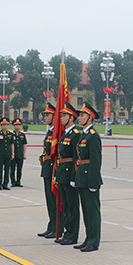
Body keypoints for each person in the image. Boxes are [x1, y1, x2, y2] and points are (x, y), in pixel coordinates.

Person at [74, 104, 103, 252]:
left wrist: (93, 181)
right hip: (82, 177)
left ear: (90, 118)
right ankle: (88, 238)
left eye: (82, 115)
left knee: (92, 211)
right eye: (79, 115)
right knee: (85, 210)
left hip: (89, 179)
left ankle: (94, 240)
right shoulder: (84, 134)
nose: (79, 117)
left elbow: (96, 161)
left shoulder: (93, 136)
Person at [54, 103, 81, 245]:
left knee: (72, 206)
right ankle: (67, 232)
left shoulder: (76, 134)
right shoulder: (65, 134)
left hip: (69, 173)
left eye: (64, 115)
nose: (61, 118)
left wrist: (73, 177)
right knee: (65, 205)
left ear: (71, 118)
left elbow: (76, 157)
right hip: (62, 173)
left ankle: (72, 235)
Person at [37, 105, 60, 238]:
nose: (45, 118)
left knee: (54, 200)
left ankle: (57, 227)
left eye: (48, 115)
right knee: (49, 201)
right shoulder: (50, 132)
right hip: (47, 168)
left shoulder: (56, 132)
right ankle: (51, 226)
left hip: (53, 169)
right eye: (44, 115)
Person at [10, 119, 26, 187]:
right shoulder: (11, 134)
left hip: (20, 154)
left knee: (19, 169)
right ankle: (13, 181)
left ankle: (18, 181)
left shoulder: (22, 134)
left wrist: (24, 154)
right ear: (14, 126)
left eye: (19, 125)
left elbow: (24, 145)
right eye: (16, 125)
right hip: (13, 154)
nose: (18, 126)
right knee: (12, 168)